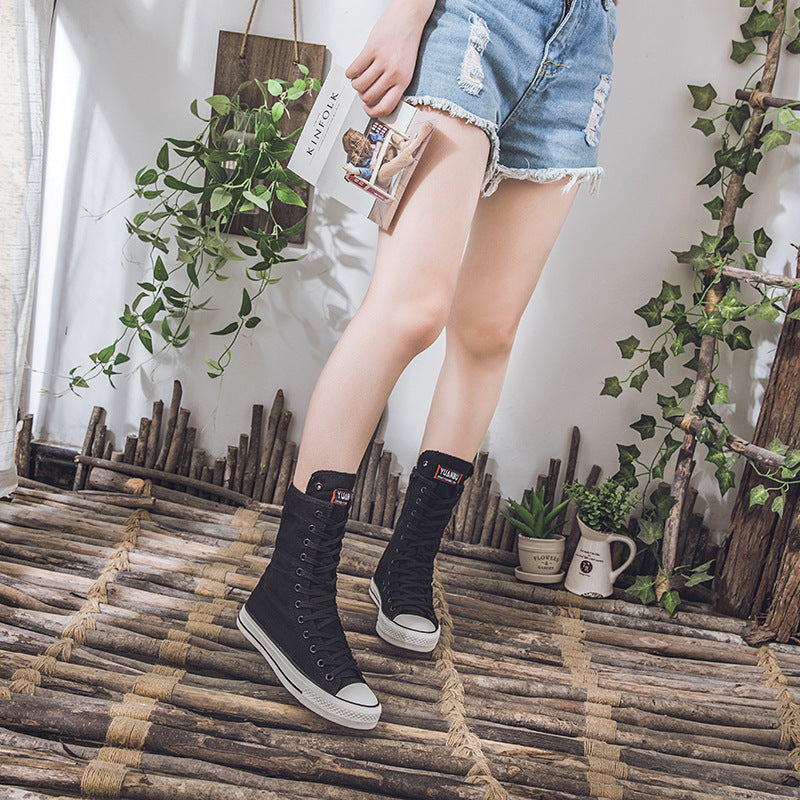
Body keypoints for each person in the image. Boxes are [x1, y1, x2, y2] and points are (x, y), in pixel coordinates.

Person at [237, 0, 618, 730]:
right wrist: (408, 12)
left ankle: (406, 563)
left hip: (583, 43)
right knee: (411, 308)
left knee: (489, 331)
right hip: (480, 20)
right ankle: (292, 583)